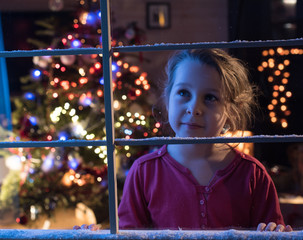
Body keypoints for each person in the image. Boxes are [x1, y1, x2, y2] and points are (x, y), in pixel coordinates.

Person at [74, 49, 292, 232]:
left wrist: (275, 234)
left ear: (231, 110)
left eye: (210, 98)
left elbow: (272, 232)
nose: (194, 108)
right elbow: (128, 235)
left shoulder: (253, 175)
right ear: (168, 100)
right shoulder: (144, 172)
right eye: (184, 93)